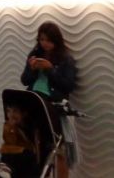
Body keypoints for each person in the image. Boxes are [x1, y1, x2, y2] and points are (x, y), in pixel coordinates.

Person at [20, 22, 77, 178]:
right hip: (34, 99)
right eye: (41, 39)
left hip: (53, 105)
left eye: (47, 40)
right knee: (34, 145)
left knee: (59, 148)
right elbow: (24, 80)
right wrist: (32, 69)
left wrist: (50, 69)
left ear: (56, 40)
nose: (44, 43)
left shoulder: (66, 58)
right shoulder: (35, 53)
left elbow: (68, 86)